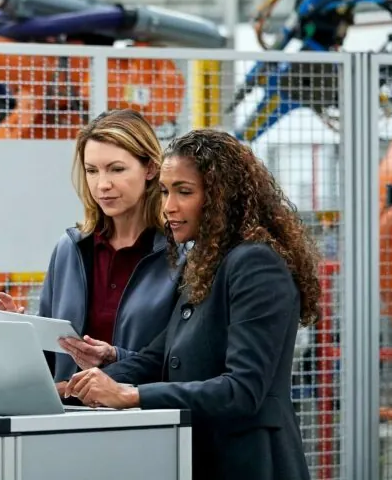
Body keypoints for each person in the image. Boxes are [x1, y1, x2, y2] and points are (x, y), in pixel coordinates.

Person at [64, 128, 319, 480]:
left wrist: (131, 395)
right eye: (166, 191)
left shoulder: (256, 264)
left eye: (184, 192)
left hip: (251, 463)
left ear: (222, 197)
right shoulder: (208, 262)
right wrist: (73, 388)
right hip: (205, 457)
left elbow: (243, 390)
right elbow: (159, 357)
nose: (168, 206)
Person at [0, 109, 182, 384]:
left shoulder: (181, 254)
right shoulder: (69, 250)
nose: (103, 184)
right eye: (92, 171)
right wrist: (18, 332)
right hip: (70, 420)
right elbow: (50, 362)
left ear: (150, 168)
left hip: (148, 419)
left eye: (116, 169)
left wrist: (116, 357)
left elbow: (188, 361)